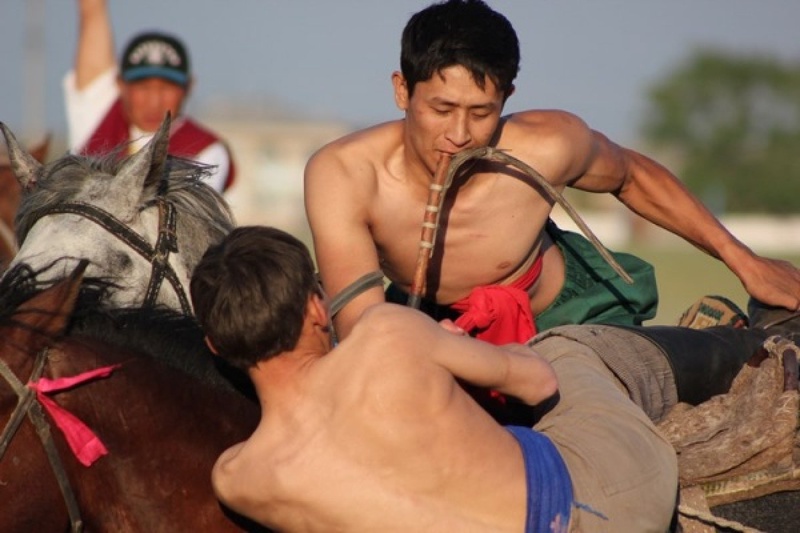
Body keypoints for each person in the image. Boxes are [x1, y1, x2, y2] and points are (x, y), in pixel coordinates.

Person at [304, 0, 800, 343]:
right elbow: (362, 321)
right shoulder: (342, 174)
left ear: (507, 99)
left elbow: (632, 175)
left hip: (568, 316)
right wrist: (440, 347)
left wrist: (745, 261)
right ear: (401, 91)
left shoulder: (548, 144)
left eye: (481, 112)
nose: (458, 133)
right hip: (422, 326)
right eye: (441, 108)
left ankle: (706, 345)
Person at [190, 225, 682, 532]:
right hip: (607, 505)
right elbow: (537, 383)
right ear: (317, 307)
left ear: (214, 344)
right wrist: (449, 347)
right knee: (562, 346)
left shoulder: (238, 479)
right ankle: (739, 345)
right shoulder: (387, 333)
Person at [64, 0, 235, 193]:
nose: (154, 102)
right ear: (120, 84)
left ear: (189, 87)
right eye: (143, 87)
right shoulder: (100, 113)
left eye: (167, 88)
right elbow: (92, 12)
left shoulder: (205, 151)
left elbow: (186, 218)